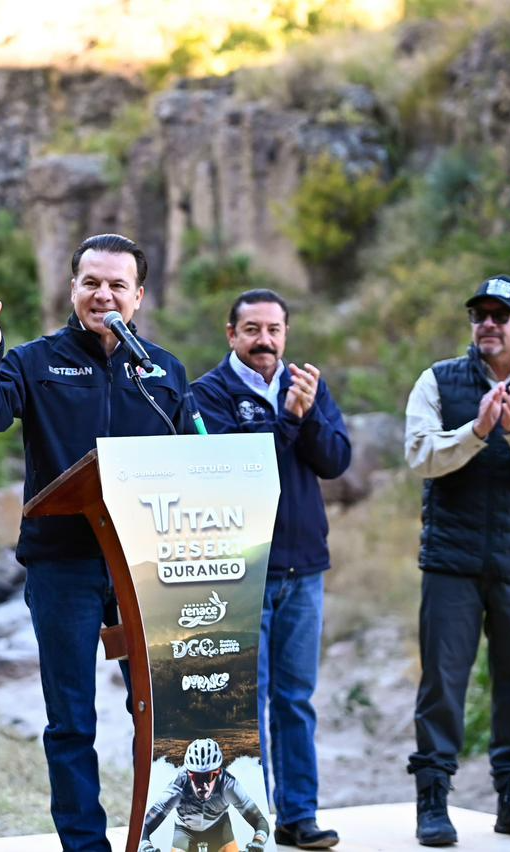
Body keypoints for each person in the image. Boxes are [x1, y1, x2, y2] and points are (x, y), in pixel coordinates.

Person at [0, 233, 193, 852]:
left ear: (138, 296)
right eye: (92, 283)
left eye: (117, 285)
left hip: (146, 566)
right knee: (71, 719)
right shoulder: (33, 361)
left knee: (164, 714)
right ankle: (86, 845)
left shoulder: (163, 372)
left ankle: (166, 835)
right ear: (72, 289)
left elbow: (191, 459)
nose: (103, 295)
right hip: (64, 563)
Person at [404, 275, 510, 846]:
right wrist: (478, 430)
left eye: (500, 316)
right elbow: (420, 456)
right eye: (479, 314)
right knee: (441, 683)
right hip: (451, 562)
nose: (487, 324)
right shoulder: (436, 380)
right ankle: (433, 802)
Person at [190, 288, 351, 850]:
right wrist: (287, 420)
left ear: (286, 333)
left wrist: (308, 416)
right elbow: (231, 467)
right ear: (231, 334)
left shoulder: (306, 386)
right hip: (241, 572)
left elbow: (336, 460)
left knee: (296, 699)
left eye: (274, 329)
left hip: (304, 569)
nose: (265, 340)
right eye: (252, 329)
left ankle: (298, 816)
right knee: (244, 704)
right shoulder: (207, 393)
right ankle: (246, 824)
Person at [140, 738, 271, 852]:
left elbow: (260, 820)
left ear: (218, 773)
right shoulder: (178, 787)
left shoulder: (227, 784)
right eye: (197, 777)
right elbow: (144, 825)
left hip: (219, 829)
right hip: (185, 832)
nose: (203, 784)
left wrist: (257, 842)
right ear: (189, 774)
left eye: (209, 776)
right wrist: (145, 846)